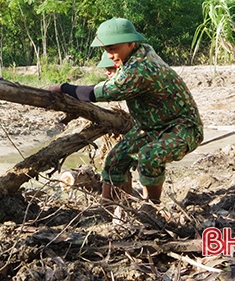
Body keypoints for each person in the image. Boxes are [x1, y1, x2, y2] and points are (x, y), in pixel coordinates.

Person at [49, 18, 203, 204]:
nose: (111, 55)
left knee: (149, 156)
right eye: (107, 50)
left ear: (131, 42)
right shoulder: (139, 52)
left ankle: (151, 206)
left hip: (182, 128)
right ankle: (108, 205)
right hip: (151, 128)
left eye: (114, 49)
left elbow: (100, 92)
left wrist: (63, 88)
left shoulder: (141, 68)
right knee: (115, 159)